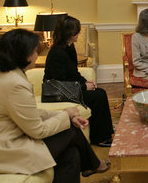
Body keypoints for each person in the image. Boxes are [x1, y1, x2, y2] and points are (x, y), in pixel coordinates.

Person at [0, 29, 109, 182]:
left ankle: (92, 165)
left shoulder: (7, 75)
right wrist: (66, 116)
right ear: (24, 55)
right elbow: (38, 131)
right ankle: (93, 165)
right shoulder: (14, 84)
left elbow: (30, 112)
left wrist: (64, 114)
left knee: (71, 154)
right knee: (71, 132)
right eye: (34, 50)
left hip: (1, 141)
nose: (37, 54)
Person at [44, 16, 114, 147]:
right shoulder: (57, 52)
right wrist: (83, 87)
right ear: (68, 33)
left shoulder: (70, 47)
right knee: (98, 96)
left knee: (99, 92)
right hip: (54, 91)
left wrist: (88, 82)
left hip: (69, 88)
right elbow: (59, 84)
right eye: (76, 31)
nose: (79, 33)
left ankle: (104, 134)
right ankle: (100, 138)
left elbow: (74, 73)